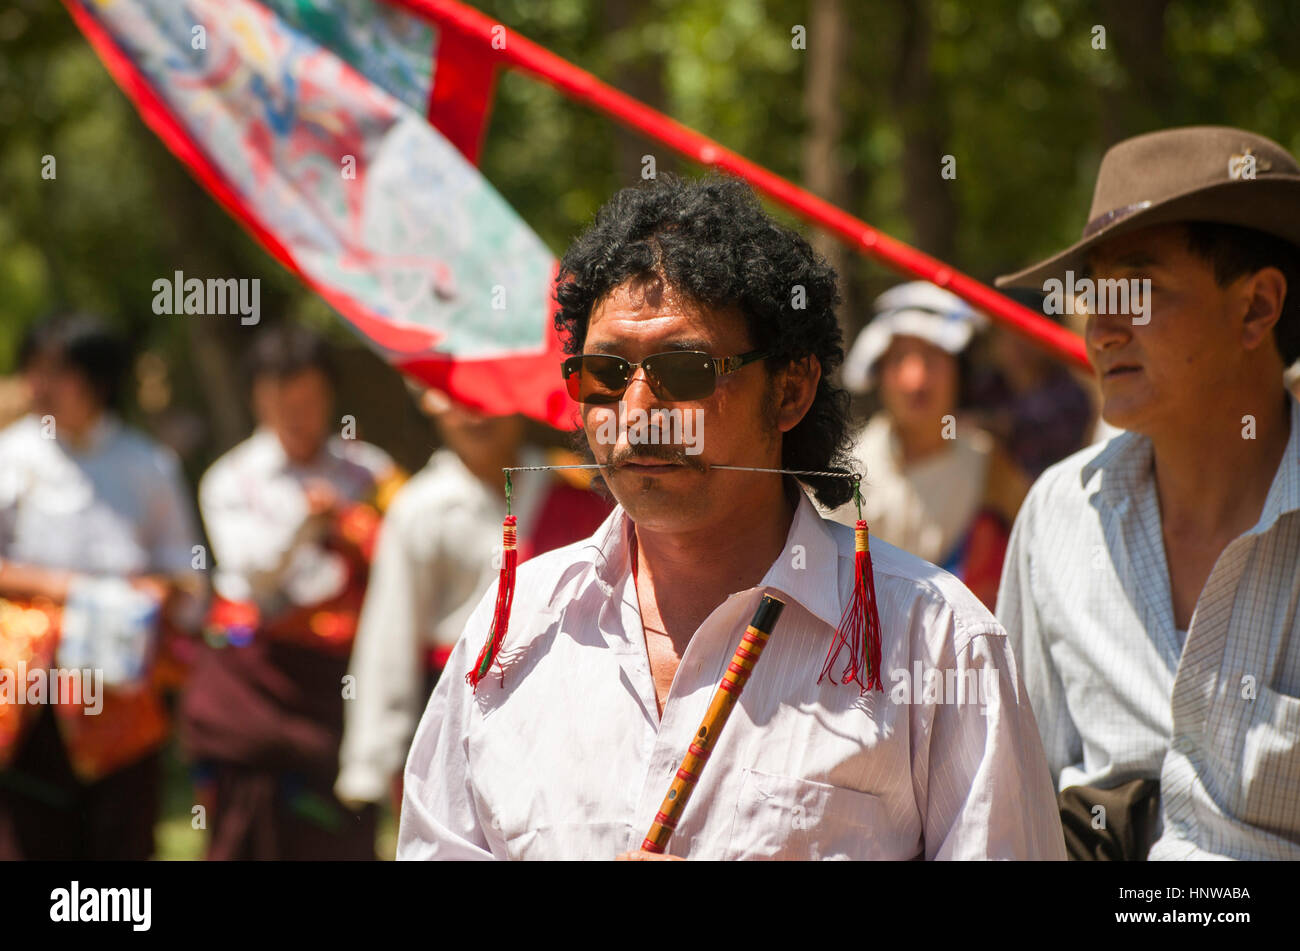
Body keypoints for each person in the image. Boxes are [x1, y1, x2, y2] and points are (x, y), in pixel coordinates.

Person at [398, 175, 1065, 860]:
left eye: (683, 371)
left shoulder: (937, 642)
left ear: (790, 390)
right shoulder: (515, 629)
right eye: (603, 372)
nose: (636, 411)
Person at [996, 126, 1300, 860]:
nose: (1099, 328)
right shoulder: (1059, 513)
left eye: (1136, 290)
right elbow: (1014, 796)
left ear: (1257, 307)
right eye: (1091, 295)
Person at [181, 324, 404, 860]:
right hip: (256, 680)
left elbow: (400, 550)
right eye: (284, 399)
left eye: (309, 398)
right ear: (259, 397)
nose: (297, 413)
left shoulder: (370, 472)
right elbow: (250, 572)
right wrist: (307, 524)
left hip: (341, 680)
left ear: (329, 395)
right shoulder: (229, 479)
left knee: (341, 823)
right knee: (247, 825)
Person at [334, 387, 611, 812]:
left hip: (566, 710)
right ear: (430, 402)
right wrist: (372, 757)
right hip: (460, 710)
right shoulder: (419, 507)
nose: (477, 414)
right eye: (456, 397)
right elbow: (391, 635)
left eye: (488, 393)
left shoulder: (576, 487)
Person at [0, 313, 204, 859]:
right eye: (31, 371)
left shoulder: (147, 465)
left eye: (55, 372)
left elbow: (187, 575)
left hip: (122, 690)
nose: (38, 387)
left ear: (98, 380)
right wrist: (66, 589)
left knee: (120, 843)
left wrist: (151, 593)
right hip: (29, 694)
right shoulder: (9, 456)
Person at [827, 282, 1028, 609]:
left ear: (959, 371)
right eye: (899, 359)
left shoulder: (988, 461)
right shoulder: (846, 470)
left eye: (932, 359)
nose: (915, 380)